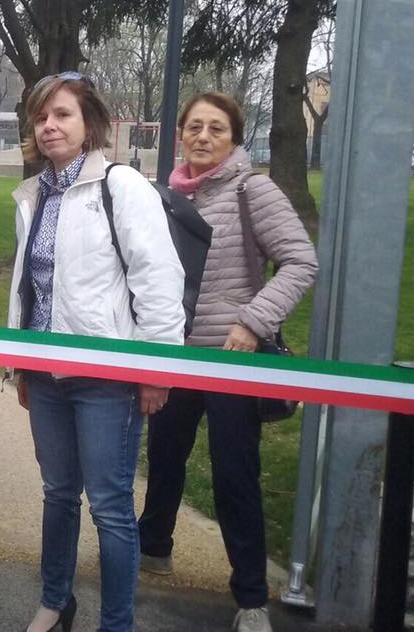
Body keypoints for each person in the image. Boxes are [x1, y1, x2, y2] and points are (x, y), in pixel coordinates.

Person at [6, 72, 186, 632]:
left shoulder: (120, 185)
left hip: (106, 375)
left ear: (89, 126)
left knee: (110, 509)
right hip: (46, 370)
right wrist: (22, 366)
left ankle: (117, 622)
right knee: (58, 493)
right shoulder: (33, 194)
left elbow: (158, 280)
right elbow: (29, 286)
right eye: (41, 117)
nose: (49, 126)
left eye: (62, 114)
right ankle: (56, 601)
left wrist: (155, 371)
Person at [138, 92, 317, 632]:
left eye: (217, 128)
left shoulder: (250, 189)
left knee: (234, 474)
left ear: (234, 138)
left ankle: (250, 597)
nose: (203, 137)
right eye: (194, 127)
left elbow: (300, 260)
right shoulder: (166, 195)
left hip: (230, 359)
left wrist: (252, 322)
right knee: (165, 456)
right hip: (177, 351)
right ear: (180, 137)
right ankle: (153, 548)